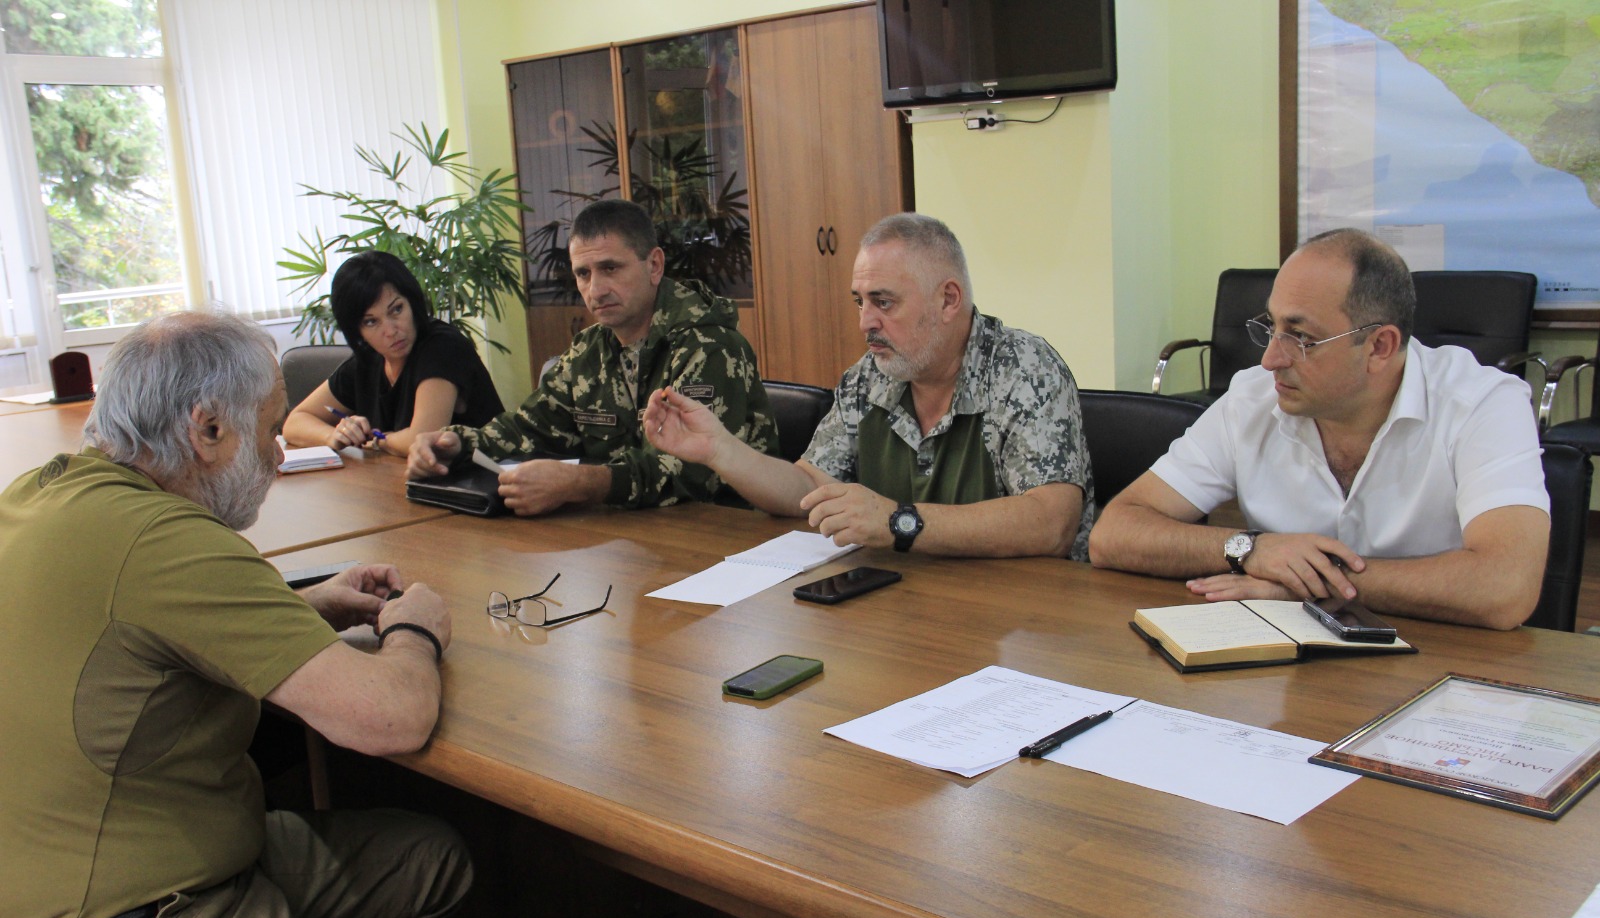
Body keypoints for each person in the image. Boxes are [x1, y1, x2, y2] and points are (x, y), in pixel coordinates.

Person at [0, 312, 583, 918]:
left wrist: (299, 609)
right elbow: (391, 718)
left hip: (105, 883)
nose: (279, 453)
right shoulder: (166, 541)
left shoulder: (45, 496)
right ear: (208, 429)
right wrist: (415, 630)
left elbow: (140, 630)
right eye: (270, 429)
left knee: (426, 864)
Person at [1087, 228, 1549, 631]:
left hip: (1441, 659)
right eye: (1271, 327)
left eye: (1302, 338)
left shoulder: (1482, 404)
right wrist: (1251, 550)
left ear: (1379, 346)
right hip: (1284, 663)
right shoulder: (1253, 398)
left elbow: (1505, 587)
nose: (1271, 359)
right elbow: (1114, 534)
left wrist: (1308, 584)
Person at [642, 212, 1094, 559]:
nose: (865, 322)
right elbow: (808, 488)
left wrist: (898, 521)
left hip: (1020, 619)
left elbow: (1052, 522)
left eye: (884, 303)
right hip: (907, 603)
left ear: (948, 300)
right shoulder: (869, 376)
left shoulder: (1024, 369)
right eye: (860, 302)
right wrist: (720, 450)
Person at [406, 198, 778, 515]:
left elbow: (688, 474)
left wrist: (580, 483)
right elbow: (531, 428)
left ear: (654, 265)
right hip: (626, 536)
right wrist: (457, 443)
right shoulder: (589, 348)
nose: (595, 290)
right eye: (583, 274)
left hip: (728, 538)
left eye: (610, 268)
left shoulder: (709, 345)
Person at [283, 250, 504, 455]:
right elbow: (295, 422)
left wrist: (376, 441)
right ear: (357, 331)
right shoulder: (368, 360)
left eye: (397, 309)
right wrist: (334, 435)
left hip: (489, 477)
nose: (391, 331)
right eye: (371, 322)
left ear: (413, 302)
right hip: (404, 479)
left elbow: (422, 440)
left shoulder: (442, 346)